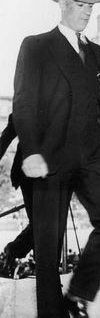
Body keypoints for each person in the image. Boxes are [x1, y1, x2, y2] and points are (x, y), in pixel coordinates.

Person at [12, 0, 100, 317]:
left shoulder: (95, 51)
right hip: (49, 156)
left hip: (93, 155)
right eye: (80, 5)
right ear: (62, 5)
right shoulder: (37, 45)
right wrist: (31, 150)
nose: (87, 12)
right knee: (48, 245)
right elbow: (24, 102)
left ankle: (78, 294)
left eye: (90, 6)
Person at [0, 114, 34, 268]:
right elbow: (6, 137)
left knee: (45, 225)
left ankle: (13, 249)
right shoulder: (23, 105)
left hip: (54, 172)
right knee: (43, 225)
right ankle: (47, 279)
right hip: (29, 173)